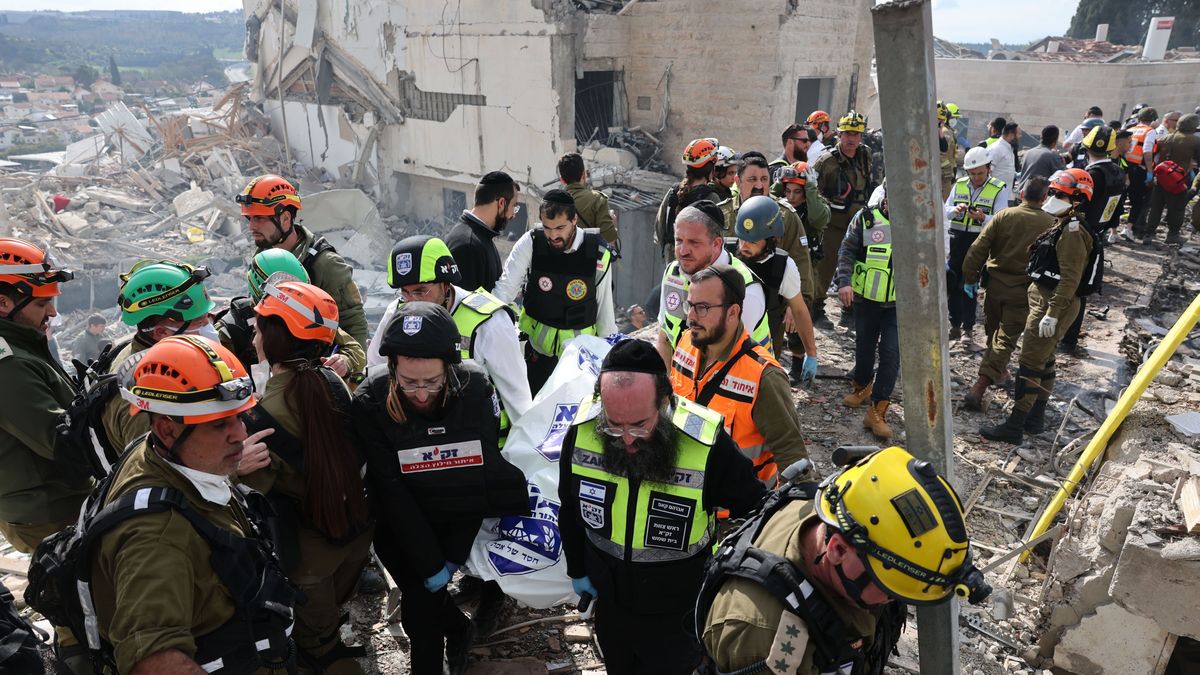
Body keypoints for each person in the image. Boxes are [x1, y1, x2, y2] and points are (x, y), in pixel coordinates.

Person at [559, 338, 766, 675]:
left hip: (677, 612)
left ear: (665, 402)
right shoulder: (583, 432)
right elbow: (569, 508)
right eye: (614, 424)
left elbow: (757, 508)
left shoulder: (705, 445)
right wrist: (577, 569)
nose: (626, 438)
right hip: (610, 604)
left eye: (640, 425)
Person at [93, 335, 297, 674]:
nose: (239, 434)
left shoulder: (161, 453)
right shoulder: (157, 537)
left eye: (240, 417)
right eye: (219, 424)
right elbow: (153, 658)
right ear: (168, 430)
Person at [700, 446, 991, 675]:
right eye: (888, 588)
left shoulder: (840, 513)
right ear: (837, 550)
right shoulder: (762, 634)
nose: (891, 600)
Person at [352, 302, 529, 675]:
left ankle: (451, 635)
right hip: (399, 524)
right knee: (424, 597)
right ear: (392, 368)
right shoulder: (370, 399)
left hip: (456, 514)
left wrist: (452, 555)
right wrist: (432, 563)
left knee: (420, 613)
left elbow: (477, 478)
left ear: (450, 368)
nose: (419, 393)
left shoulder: (476, 389)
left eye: (431, 382)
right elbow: (390, 487)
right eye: (408, 382)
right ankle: (459, 627)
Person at [238, 280, 373, 673]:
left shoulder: (261, 418)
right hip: (351, 540)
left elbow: (248, 494)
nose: (253, 331)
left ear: (276, 336)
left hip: (308, 559)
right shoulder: (333, 384)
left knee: (320, 651)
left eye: (259, 324)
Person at [0, 238, 93, 672]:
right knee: (84, 614)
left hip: (53, 498)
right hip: (46, 507)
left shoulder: (24, 348)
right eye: (42, 304)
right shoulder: (8, 363)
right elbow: (60, 440)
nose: (53, 313)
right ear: (4, 302)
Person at [981, 169, 1096, 444]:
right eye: (1053, 192)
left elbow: (1070, 278)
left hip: (1051, 305)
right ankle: (1035, 418)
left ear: (1077, 200)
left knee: (1030, 365)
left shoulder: (1071, 231)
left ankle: (1015, 425)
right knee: (1044, 361)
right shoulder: (1063, 224)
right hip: (1049, 303)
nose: (1052, 197)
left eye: (1060, 194)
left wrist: (1052, 314)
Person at [669, 264, 809, 486]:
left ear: (733, 312)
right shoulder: (686, 342)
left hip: (736, 515)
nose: (691, 317)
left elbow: (793, 458)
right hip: (682, 498)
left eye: (703, 307)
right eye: (690, 306)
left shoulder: (763, 377)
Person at [369, 236, 531, 422]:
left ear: (445, 285)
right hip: (415, 438)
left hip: (480, 438)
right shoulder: (395, 313)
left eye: (421, 291)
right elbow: (375, 370)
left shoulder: (490, 321)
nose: (412, 301)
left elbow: (518, 400)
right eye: (405, 292)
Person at [493, 189, 616, 393]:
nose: (553, 235)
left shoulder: (598, 253)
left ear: (574, 219)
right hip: (538, 356)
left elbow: (605, 313)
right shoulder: (531, 242)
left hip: (579, 361)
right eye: (548, 228)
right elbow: (504, 290)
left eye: (560, 227)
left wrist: (608, 366)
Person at [102, 260, 219, 455]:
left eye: (208, 317)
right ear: (161, 332)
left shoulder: (159, 356)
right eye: (199, 322)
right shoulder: (139, 396)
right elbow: (153, 470)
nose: (209, 329)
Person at [238, 175, 368, 346]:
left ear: (285, 218)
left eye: (260, 218)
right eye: (250, 218)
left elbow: (353, 324)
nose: (251, 227)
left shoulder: (326, 264)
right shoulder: (262, 258)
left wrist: (349, 364)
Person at [960, 177, 1056, 411]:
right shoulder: (1050, 223)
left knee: (993, 332)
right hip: (1023, 292)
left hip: (994, 287)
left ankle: (998, 371)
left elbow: (978, 248)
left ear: (1022, 193)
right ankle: (980, 386)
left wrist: (969, 277)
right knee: (1003, 340)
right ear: (1045, 199)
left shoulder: (1004, 216)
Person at [219, 248, 365, 384]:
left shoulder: (307, 314)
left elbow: (354, 349)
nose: (294, 302)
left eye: (299, 293)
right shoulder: (230, 331)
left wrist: (344, 362)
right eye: (285, 294)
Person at [655, 201, 770, 364]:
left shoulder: (746, 290)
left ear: (716, 244)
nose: (683, 251)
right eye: (679, 240)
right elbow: (664, 339)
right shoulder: (673, 272)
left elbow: (725, 362)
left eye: (694, 242)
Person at [728, 195, 819, 387]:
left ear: (772, 239)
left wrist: (811, 354)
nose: (743, 246)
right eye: (741, 239)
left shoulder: (783, 267)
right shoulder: (724, 256)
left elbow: (800, 310)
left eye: (752, 241)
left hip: (763, 353)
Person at [835, 182, 899, 440]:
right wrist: (844, 282)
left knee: (891, 354)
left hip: (898, 304)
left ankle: (878, 409)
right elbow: (847, 251)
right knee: (864, 348)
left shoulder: (917, 222)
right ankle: (862, 385)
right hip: (867, 299)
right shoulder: (867, 218)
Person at [720, 153, 820, 313]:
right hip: (725, 305)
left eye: (764, 179)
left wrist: (797, 305)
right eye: (752, 179)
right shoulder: (721, 215)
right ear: (738, 181)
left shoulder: (785, 216)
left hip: (771, 308)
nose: (759, 185)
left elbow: (800, 260)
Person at [1060, 126, 1126, 355]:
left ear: (1085, 146)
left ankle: (1062, 337)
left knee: (1067, 284)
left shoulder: (1091, 175)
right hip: (1098, 234)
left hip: (1079, 234)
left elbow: (1080, 205)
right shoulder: (1119, 173)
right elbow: (1117, 209)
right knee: (1082, 288)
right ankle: (1069, 340)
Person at [944, 146, 1011, 343]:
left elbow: (1002, 219)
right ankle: (954, 325)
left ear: (988, 168)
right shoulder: (960, 184)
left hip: (978, 242)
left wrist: (982, 217)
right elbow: (945, 209)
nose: (976, 177)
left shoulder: (998, 188)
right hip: (956, 239)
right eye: (972, 173)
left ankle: (968, 328)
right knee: (953, 282)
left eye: (980, 173)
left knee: (969, 284)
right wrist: (955, 210)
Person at [813, 110, 873, 328]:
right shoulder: (826, 161)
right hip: (833, 224)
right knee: (826, 265)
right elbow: (814, 192)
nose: (851, 139)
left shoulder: (865, 154)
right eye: (847, 133)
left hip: (858, 223)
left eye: (856, 134)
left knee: (858, 265)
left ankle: (849, 310)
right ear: (839, 134)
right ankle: (816, 308)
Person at [445, 171, 522, 293]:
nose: (513, 215)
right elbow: (464, 306)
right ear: (502, 203)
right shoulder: (467, 245)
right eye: (514, 206)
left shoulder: (480, 237)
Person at [656, 138, 721, 262]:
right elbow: (718, 236)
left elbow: (660, 229)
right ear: (710, 168)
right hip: (699, 265)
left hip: (672, 262)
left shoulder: (672, 192)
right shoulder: (711, 198)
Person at [1142, 113, 1200, 245]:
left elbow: (1153, 155)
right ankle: (1173, 235)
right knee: (1177, 208)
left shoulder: (1165, 138)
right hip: (1179, 181)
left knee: (1156, 207)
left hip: (1160, 179)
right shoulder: (1196, 141)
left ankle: (1149, 234)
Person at [558, 152, 619, 246]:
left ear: (562, 179)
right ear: (584, 174)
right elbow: (610, 242)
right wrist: (613, 224)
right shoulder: (597, 200)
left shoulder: (553, 204)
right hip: (590, 260)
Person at [1122, 107, 1160, 237]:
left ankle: (1114, 230)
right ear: (1153, 119)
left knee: (1121, 198)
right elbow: (1147, 151)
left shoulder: (1131, 129)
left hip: (1125, 168)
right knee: (1137, 201)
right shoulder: (1150, 131)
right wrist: (1150, 171)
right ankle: (1128, 228)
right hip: (1139, 170)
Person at [1016, 125, 1066, 194]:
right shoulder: (1053, 156)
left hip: (1021, 195)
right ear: (1055, 140)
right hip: (1035, 199)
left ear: (1041, 137)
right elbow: (1064, 178)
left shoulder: (1028, 153)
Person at [987, 122, 1020, 197]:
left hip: (1006, 194)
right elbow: (987, 172)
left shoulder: (1009, 148)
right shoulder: (996, 149)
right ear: (1011, 135)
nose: (1020, 137)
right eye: (1019, 134)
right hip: (994, 195)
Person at [938, 100, 960, 199]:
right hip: (944, 175)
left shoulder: (948, 131)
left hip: (948, 173)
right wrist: (948, 171)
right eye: (954, 117)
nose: (955, 120)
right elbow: (942, 153)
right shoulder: (945, 131)